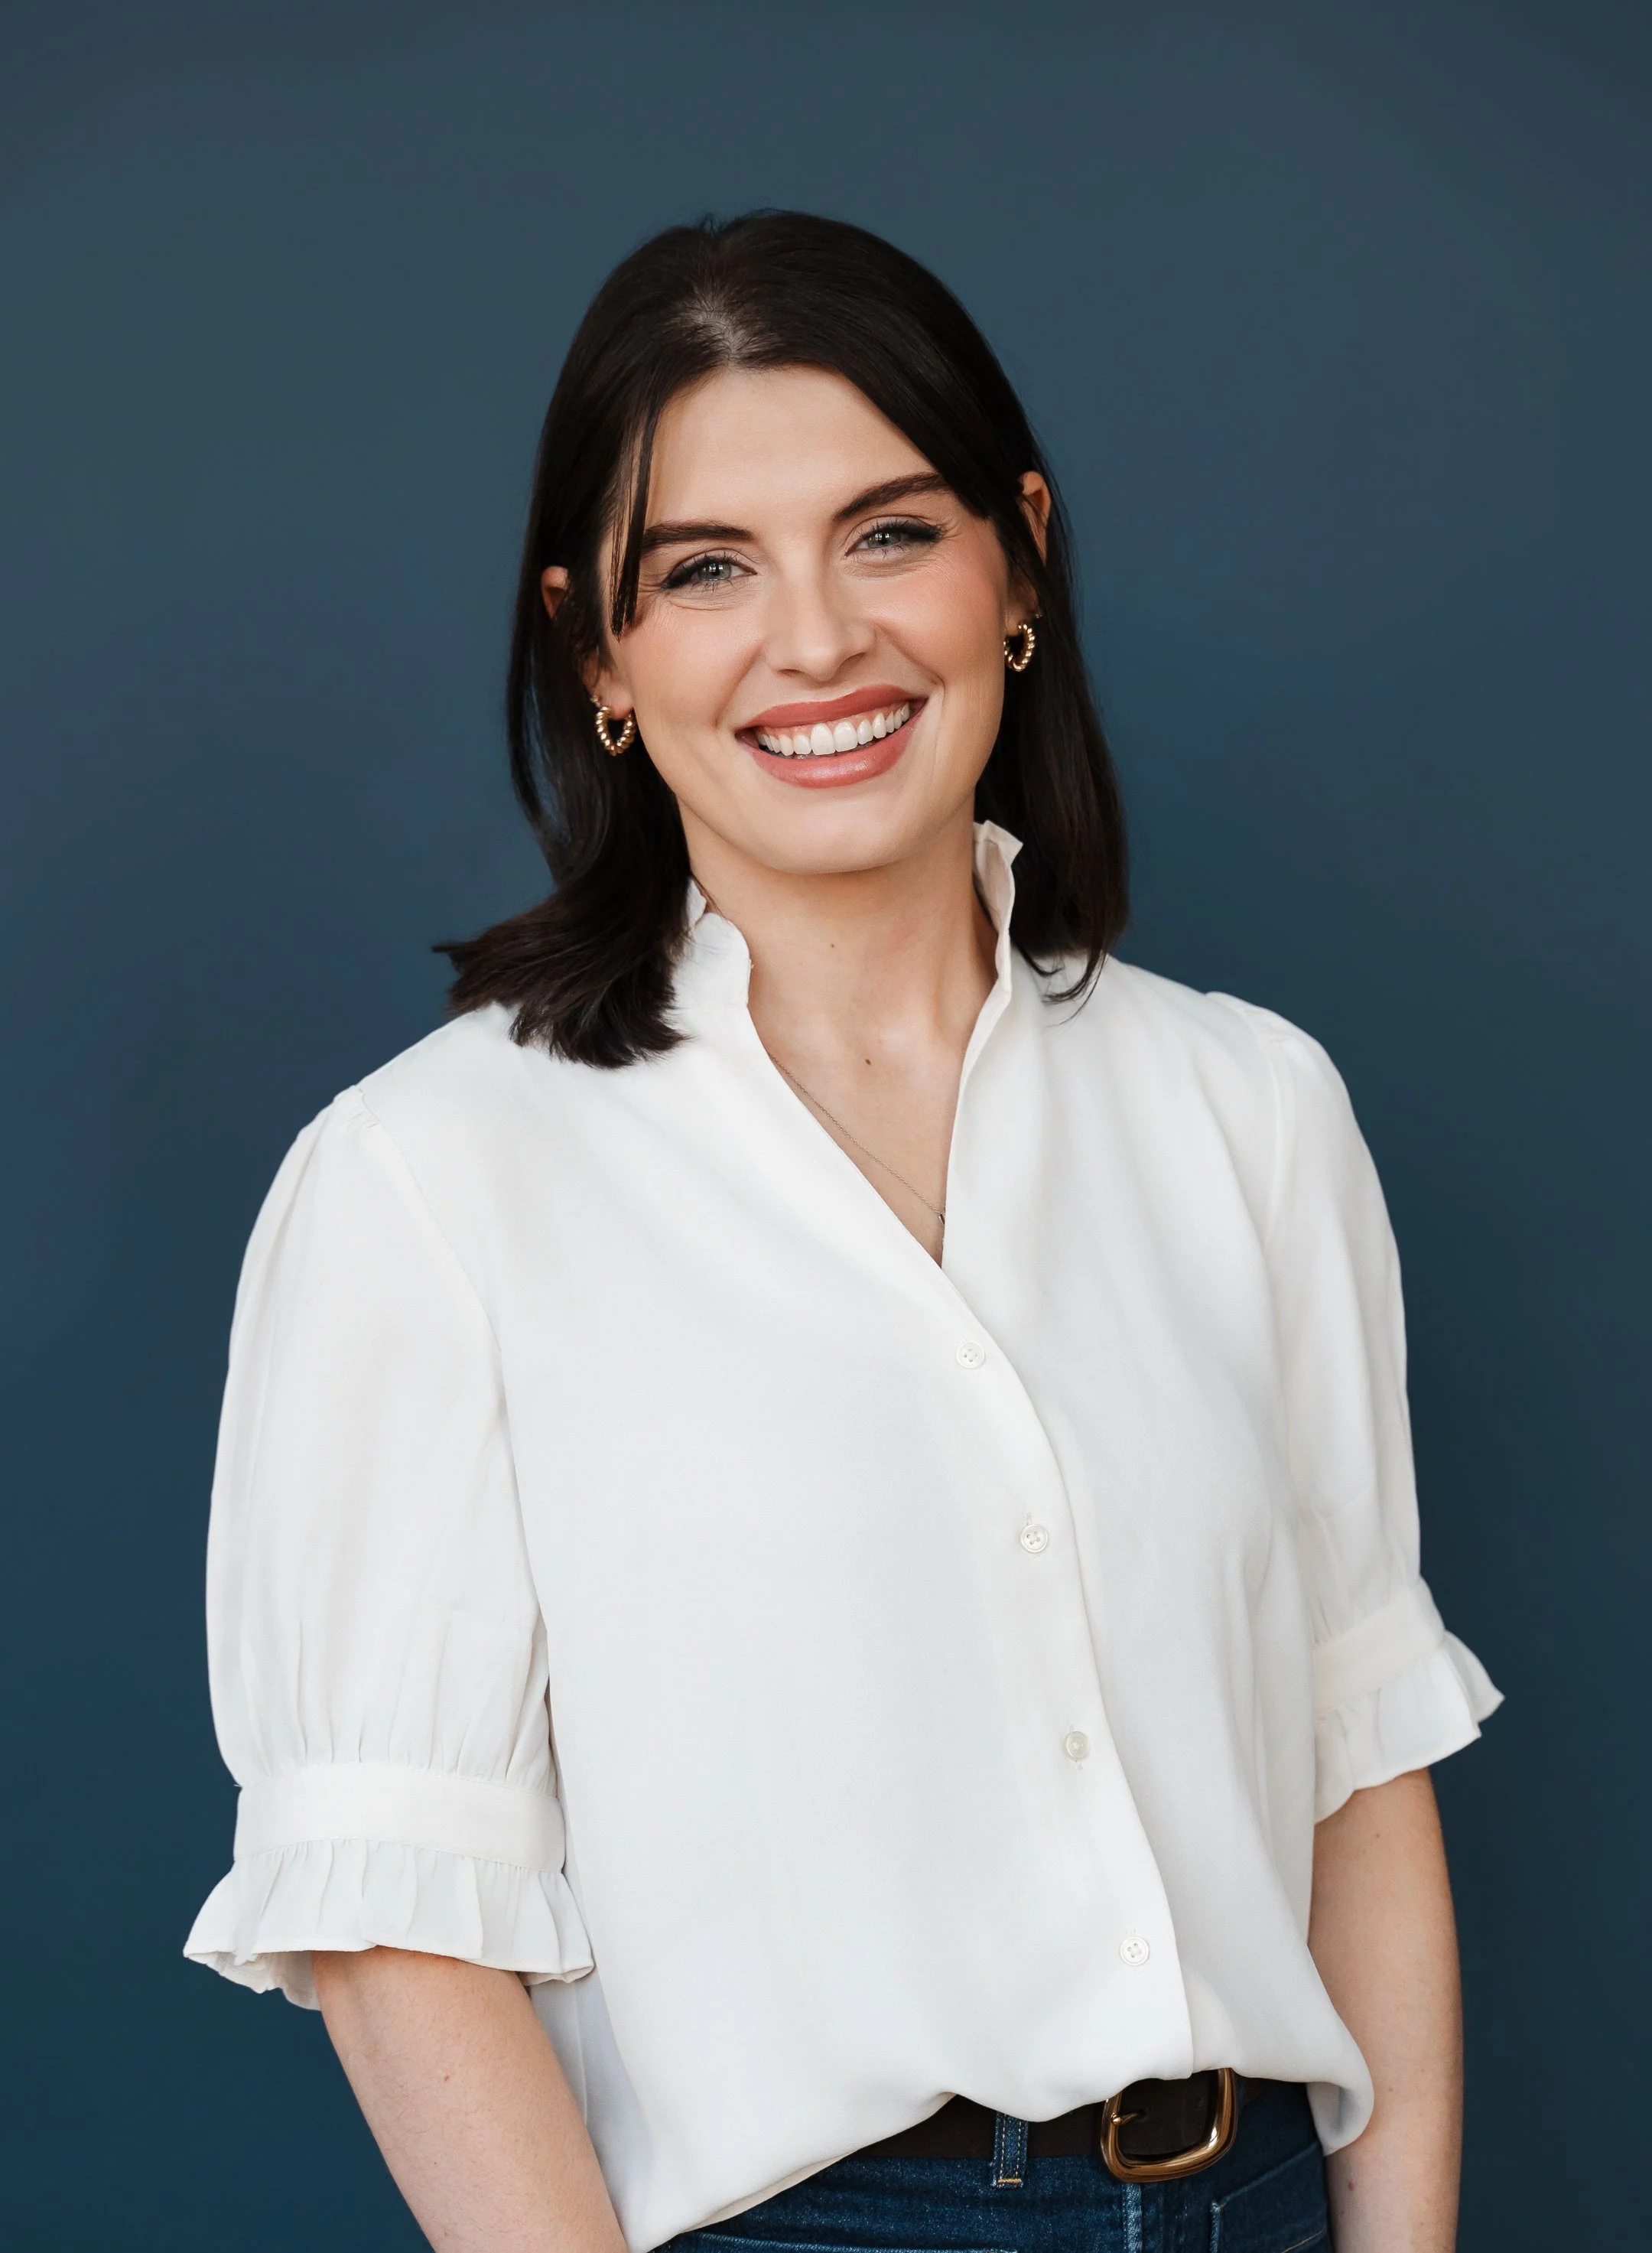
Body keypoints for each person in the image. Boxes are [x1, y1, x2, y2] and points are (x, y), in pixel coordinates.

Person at [185, 211, 1500, 2253]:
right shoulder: (429, 1182)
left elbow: (1359, 1768)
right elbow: (395, 1929)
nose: (816, 641)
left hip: (1256, 2198)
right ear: (598, 656)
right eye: (704, 569)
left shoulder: (1251, 1110)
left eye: (890, 534)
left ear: (1021, 561)